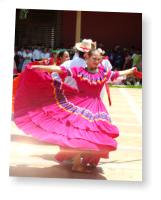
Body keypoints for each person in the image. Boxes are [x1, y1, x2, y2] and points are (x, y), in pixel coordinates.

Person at [14, 48, 137, 173]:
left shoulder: (103, 72)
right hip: (81, 105)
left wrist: (132, 70)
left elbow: (120, 73)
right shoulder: (79, 71)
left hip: (97, 106)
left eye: (99, 59)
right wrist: (39, 67)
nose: (97, 61)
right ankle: (77, 164)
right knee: (78, 134)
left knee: (97, 133)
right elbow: (60, 69)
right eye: (94, 58)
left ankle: (89, 157)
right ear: (86, 58)